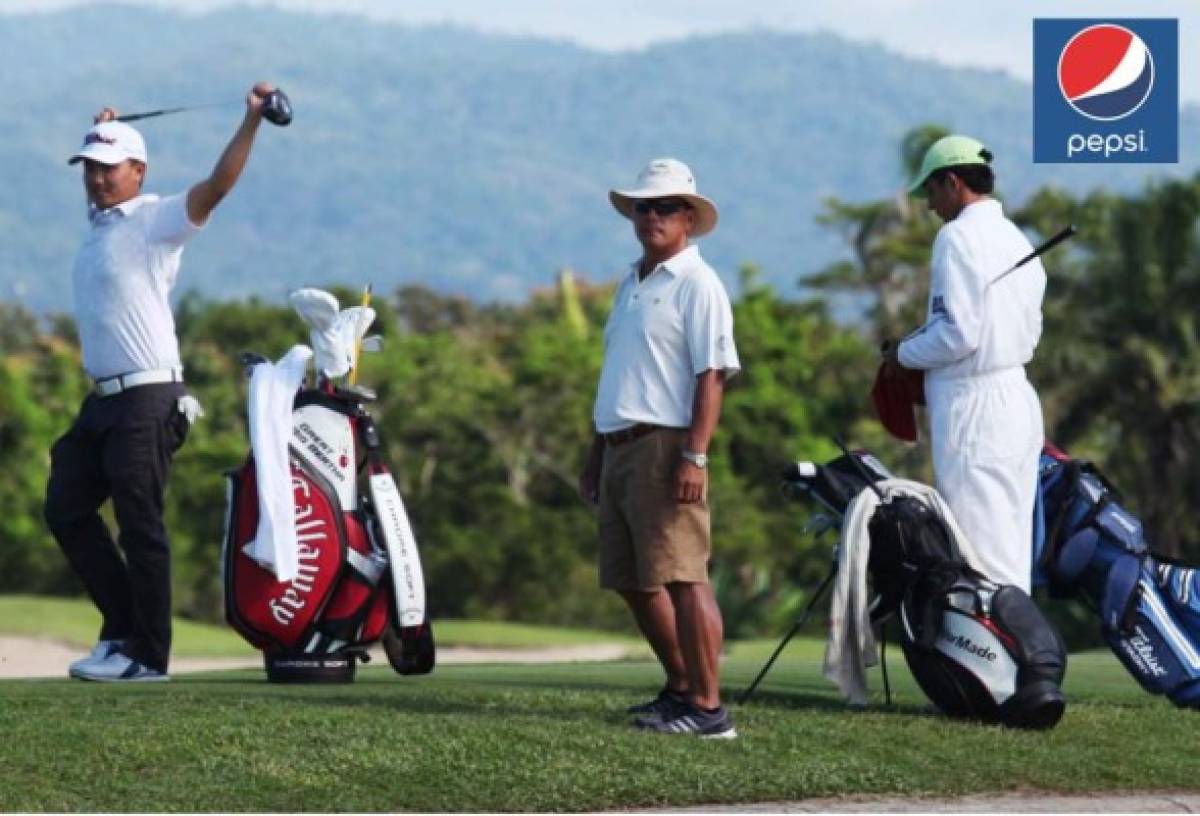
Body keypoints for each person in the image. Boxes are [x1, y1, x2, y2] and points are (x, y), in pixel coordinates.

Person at [45, 82, 280, 682]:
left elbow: (217, 187)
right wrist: (105, 130)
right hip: (103, 403)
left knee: (140, 525)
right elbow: (103, 187)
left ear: (138, 172)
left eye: (108, 169)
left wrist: (251, 120)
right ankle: (122, 628)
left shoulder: (155, 220)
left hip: (150, 398)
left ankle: (148, 656)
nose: (96, 179)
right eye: (90, 169)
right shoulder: (101, 226)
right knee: (67, 506)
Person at [579, 158, 740, 738]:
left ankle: (708, 709)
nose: (652, 217)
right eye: (644, 207)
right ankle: (680, 686)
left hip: (665, 443)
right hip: (619, 443)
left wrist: (695, 454)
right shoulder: (632, 281)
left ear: (689, 220)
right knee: (631, 578)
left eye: (666, 207)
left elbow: (712, 377)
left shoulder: (699, 284)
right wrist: (596, 454)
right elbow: (619, 372)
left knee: (683, 575)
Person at [884, 134, 1047, 592]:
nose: (931, 206)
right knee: (1009, 547)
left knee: (980, 551)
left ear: (952, 183)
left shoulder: (956, 237)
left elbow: (957, 335)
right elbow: (1025, 332)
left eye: (932, 193)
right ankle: (1014, 659)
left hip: (976, 407)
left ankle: (998, 660)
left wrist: (901, 354)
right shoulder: (1015, 237)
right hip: (1016, 399)